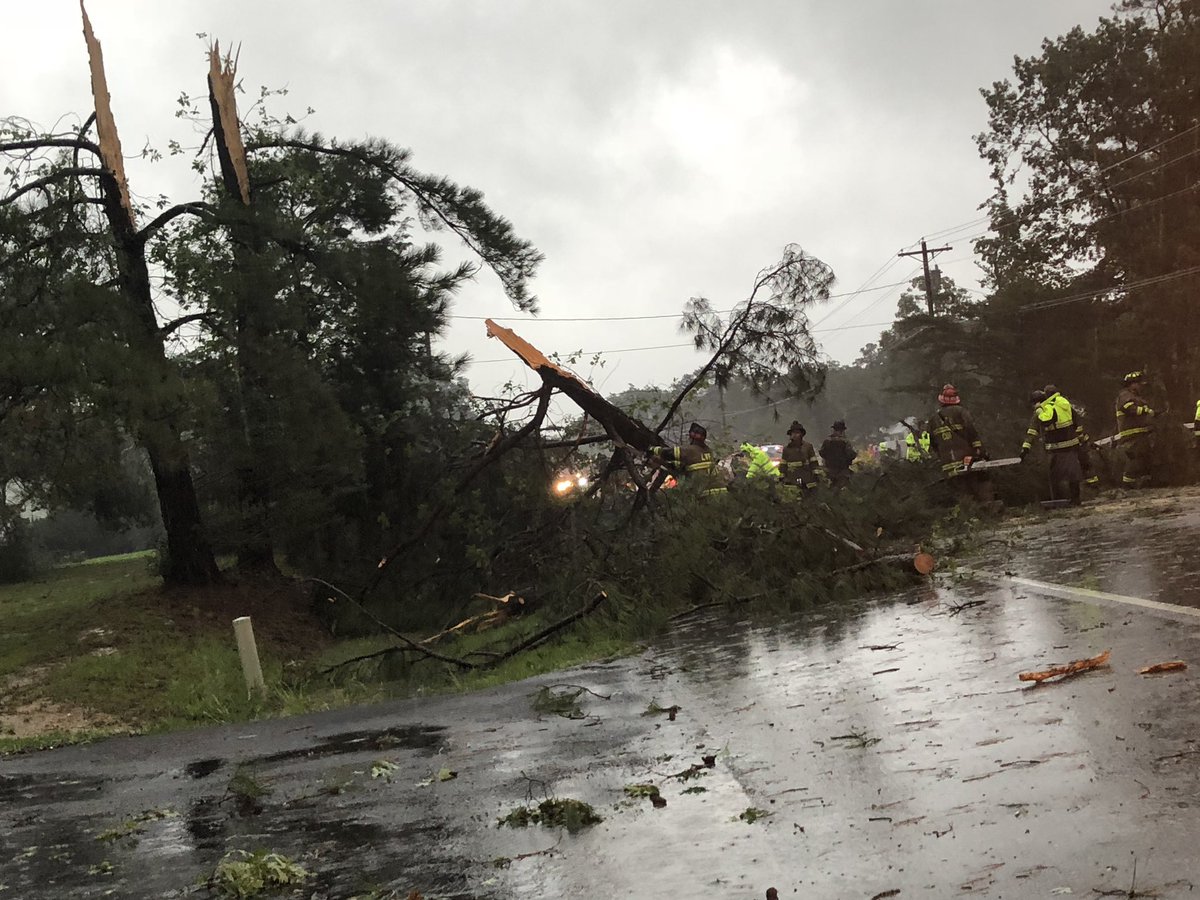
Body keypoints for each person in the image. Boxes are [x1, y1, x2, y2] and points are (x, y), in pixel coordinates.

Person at [927, 383, 993, 502]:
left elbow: (932, 443)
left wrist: (941, 455)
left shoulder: (933, 419)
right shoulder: (961, 412)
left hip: (947, 463)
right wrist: (979, 450)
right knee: (977, 484)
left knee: (960, 492)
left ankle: (967, 511)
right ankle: (984, 508)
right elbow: (972, 431)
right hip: (966, 458)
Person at [1020, 386, 1084, 505]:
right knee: (1072, 473)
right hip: (1071, 445)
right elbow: (1077, 422)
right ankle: (1075, 499)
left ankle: (1059, 500)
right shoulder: (1064, 406)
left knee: (1054, 475)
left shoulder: (1041, 412)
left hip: (1055, 448)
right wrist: (1082, 439)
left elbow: (1032, 432)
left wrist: (1025, 448)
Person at [648, 422, 727, 495]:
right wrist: (662, 462)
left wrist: (651, 449)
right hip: (722, 492)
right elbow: (681, 466)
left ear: (692, 437)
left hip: (706, 493)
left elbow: (669, 453)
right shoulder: (708, 451)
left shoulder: (690, 450)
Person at [1114, 371, 1156, 488]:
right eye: (1138, 384)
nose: (1141, 386)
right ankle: (1128, 484)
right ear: (1131, 384)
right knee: (1136, 458)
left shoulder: (1137, 397)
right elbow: (1129, 408)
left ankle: (1144, 482)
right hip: (1132, 434)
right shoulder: (1125, 395)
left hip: (1141, 433)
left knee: (1145, 457)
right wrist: (1146, 411)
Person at [778, 421, 819, 491]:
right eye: (793, 433)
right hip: (791, 480)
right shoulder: (786, 449)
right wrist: (781, 478)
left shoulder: (808, 447)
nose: (795, 435)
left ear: (801, 434)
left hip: (807, 479)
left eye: (797, 433)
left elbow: (814, 463)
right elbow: (783, 465)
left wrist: (816, 475)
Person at [819, 420, 855, 489]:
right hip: (842, 471)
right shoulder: (846, 442)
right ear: (842, 431)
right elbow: (850, 454)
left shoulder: (827, 441)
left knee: (830, 489)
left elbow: (822, 453)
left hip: (829, 471)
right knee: (845, 489)